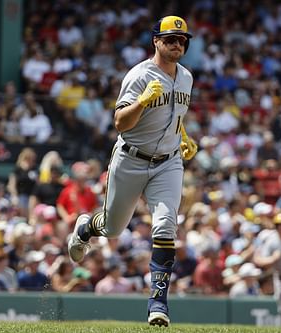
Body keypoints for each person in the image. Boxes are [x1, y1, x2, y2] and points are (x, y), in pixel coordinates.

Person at [67, 15, 197, 327]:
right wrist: (140, 102)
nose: (176, 44)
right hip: (132, 158)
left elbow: (176, 117)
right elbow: (120, 123)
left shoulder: (187, 78)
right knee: (112, 229)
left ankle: (158, 303)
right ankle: (86, 228)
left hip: (168, 161)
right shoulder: (139, 75)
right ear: (156, 41)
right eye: (170, 39)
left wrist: (184, 137)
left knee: (166, 224)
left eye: (181, 40)